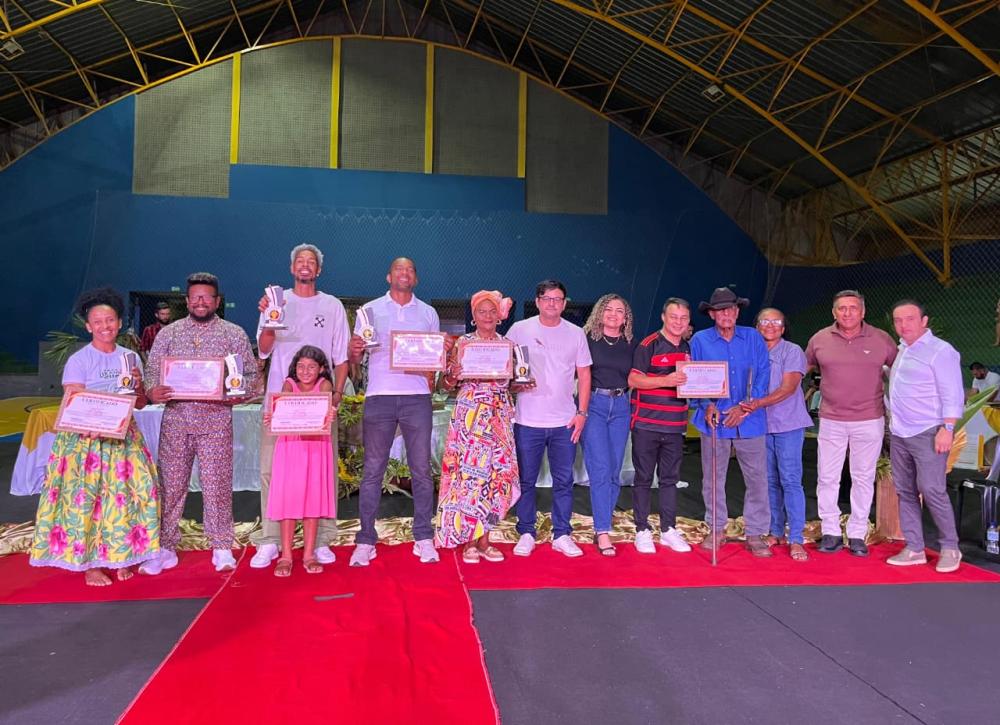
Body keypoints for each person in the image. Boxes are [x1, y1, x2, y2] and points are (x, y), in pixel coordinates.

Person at [30, 288, 160, 585]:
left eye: (110, 320)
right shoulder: (80, 360)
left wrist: (139, 387)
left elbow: (139, 403)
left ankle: (119, 555)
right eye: (98, 322)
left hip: (122, 439)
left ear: (119, 322)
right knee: (87, 501)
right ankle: (89, 564)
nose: (105, 326)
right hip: (85, 442)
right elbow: (72, 401)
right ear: (88, 326)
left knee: (123, 498)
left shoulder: (130, 358)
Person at [141, 273, 257, 574]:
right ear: (187, 300)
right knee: (170, 485)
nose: (201, 302)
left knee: (217, 485)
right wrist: (153, 390)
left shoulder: (233, 334)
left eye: (207, 297)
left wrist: (234, 394)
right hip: (176, 421)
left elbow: (252, 380)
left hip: (216, 421)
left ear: (217, 301)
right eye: (195, 297)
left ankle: (221, 546)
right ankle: (165, 547)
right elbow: (151, 372)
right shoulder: (169, 334)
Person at [251, 243, 349, 570]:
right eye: (300, 262)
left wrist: (334, 396)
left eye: (311, 262)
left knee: (320, 474)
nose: (305, 266)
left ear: (318, 270)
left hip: (319, 407)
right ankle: (270, 540)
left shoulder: (332, 305)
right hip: (280, 407)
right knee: (271, 473)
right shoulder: (276, 302)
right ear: (292, 268)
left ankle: (320, 540)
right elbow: (264, 351)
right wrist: (269, 320)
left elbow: (341, 356)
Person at [348, 258, 448, 567]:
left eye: (410, 270)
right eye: (398, 269)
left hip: (417, 397)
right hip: (379, 396)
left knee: (420, 470)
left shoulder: (428, 313)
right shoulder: (369, 310)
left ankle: (423, 537)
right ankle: (365, 540)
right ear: (389, 275)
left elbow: (434, 361)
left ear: (415, 278)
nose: (404, 273)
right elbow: (355, 357)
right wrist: (354, 349)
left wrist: (438, 358)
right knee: (373, 470)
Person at [806, 290, 896, 556]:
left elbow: (902, 371)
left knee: (863, 478)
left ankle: (857, 533)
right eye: (842, 309)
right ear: (834, 313)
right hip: (832, 420)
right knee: (827, 478)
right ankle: (831, 531)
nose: (847, 313)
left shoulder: (881, 339)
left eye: (853, 308)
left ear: (863, 312)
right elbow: (800, 368)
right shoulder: (819, 339)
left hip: (870, 419)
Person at [506, 280, 592, 558]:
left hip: (564, 421)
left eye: (558, 299)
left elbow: (585, 375)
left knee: (564, 481)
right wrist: (514, 385)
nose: (552, 303)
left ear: (565, 303)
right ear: (538, 301)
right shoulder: (520, 329)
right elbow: (506, 368)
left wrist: (581, 413)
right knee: (526, 481)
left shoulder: (576, 333)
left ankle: (562, 534)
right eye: (547, 298)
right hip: (527, 420)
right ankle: (527, 532)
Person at [436, 290, 521, 563]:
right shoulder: (462, 344)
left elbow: (514, 383)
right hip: (470, 417)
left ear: (499, 316)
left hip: (498, 416)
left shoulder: (508, 345)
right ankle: (469, 541)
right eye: (481, 311)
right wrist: (452, 376)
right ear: (474, 316)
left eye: (492, 311)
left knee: (496, 477)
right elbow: (443, 386)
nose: (487, 316)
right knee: (470, 478)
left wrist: (523, 381)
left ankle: (486, 540)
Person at [690, 287, 771, 556]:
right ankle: (716, 528)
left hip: (749, 418)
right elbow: (695, 379)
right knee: (713, 478)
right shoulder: (700, 340)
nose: (727, 313)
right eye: (721, 309)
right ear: (712, 314)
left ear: (737, 311)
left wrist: (745, 407)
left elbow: (762, 375)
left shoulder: (753, 338)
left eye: (731, 308)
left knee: (757, 478)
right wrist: (706, 404)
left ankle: (756, 532)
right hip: (714, 419)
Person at [885, 300, 964, 573]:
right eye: (898, 320)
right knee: (905, 491)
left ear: (924, 321)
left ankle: (950, 548)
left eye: (909, 318)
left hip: (929, 431)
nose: (903, 324)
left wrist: (948, 428)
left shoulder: (941, 351)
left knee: (932, 489)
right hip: (899, 433)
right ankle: (915, 548)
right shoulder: (900, 351)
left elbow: (953, 392)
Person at [740, 308, 812, 561]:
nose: (770, 325)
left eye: (776, 321)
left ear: (783, 327)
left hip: (788, 425)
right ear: (757, 326)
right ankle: (776, 531)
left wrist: (757, 403)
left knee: (791, 480)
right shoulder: (751, 351)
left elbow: (788, 388)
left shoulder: (792, 351)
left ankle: (796, 539)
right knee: (768, 481)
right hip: (760, 426)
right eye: (764, 321)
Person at [627, 297, 693, 556]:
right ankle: (642, 530)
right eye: (673, 317)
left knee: (670, 480)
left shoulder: (688, 348)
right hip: (647, 424)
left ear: (688, 321)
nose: (678, 322)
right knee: (643, 478)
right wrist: (667, 380)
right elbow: (634, 379)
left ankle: (668, 530)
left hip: (675, 425)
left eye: (683, 318)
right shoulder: (648, 344)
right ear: (664, 317)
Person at [264, 346, 336, 576]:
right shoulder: (289, 384)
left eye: (312, 367)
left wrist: (329, 411)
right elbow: (283, 407)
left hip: (315, 447)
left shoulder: (325, 385)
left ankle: (309, 554)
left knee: (312, 499)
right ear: (295, 367)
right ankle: (285, 555)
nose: (305, 371)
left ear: (321, 369)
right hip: (291, 446)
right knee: (289, 499)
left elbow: (324, 404)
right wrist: (273, 415)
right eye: (301, 366)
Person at [580, 294, 636, 557]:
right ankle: (603, 530)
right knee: (601, 469)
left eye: (620, 311)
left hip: (622, 406)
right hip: (595, 406)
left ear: (626, 318)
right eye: (609, 309)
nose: (614, 314)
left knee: (614, 470)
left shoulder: (631, 344)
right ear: (599, 313)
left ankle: (603, 519)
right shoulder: (586, 340)